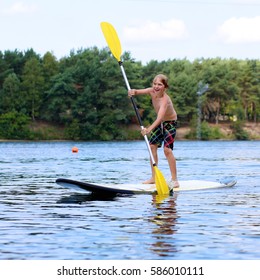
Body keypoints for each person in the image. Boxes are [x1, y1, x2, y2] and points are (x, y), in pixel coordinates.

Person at [128, 74, 179, 189]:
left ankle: (175, 180)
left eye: (159, 84)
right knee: (152, 147)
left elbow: (160, 118)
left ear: (165, 87)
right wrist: (132, 92)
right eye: (154, 84)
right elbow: (138, 91)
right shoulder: (151, 91)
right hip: (159, 123)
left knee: (167, 150)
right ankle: (153, 178)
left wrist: (148, 129)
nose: (156, 86)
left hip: (170, 123)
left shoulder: (165, 100)